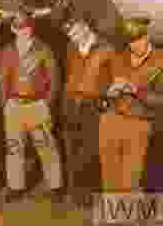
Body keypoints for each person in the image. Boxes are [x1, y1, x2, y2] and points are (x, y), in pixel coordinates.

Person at [0, 10, 63, 203]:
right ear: (13, 29)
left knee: (46, 146)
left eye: (26, 27)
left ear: (31, 28)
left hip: (37, 104)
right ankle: (15, 186)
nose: (23, 31)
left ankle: (55, 185)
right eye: (18, 28)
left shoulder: (44, 49)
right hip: (14, 104)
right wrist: (5, 102)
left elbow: (54, 79)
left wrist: (47, 103)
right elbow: (3, 80)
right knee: (14, 147)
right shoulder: (8, 51)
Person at [99, 16, 163, 192]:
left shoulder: (160, 61)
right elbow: (103, 85)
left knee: (131, 175)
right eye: (130, 42)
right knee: (109, 173)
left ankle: (128, 216)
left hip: (139, 122)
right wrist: (108, 93)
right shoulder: (119, 57)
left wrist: (137, 91)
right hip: (111, 119)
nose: (134, 46)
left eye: (138, 40)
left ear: (146, 36)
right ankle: (113, 217)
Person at [60, 12, 113, 207]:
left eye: (73, 30)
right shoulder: (71, 48)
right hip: (73, 105)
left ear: (85, 27)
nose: (70, 35)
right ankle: (78, 195)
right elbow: (70, 77)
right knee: (73, 149)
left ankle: (94, 192)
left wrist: (107, 104)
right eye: (68, 32)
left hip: (95, 106)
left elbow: (114, 79)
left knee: (92, 151)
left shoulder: (106, 49)